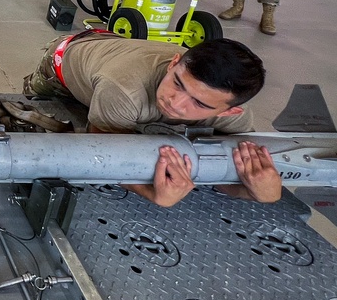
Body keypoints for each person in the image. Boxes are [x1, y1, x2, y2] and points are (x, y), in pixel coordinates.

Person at [23, 32, 281, 208]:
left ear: (228, 113)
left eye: (199, 103)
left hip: (122, 54)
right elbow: (102, 156)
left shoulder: (237, 117)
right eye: (178, 83)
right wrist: (149, 192)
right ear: (174, 63)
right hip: (67, 56)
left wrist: (255, 192)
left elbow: (233, 169)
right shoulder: (124, 89)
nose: (174, 103)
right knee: (38, 99)